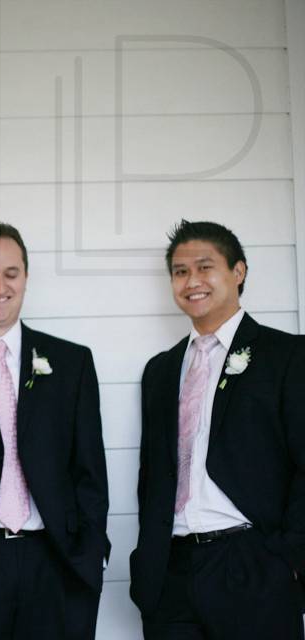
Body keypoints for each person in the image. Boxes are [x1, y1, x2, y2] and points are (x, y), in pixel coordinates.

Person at [130, 220, 305, 639]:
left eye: (205, 267)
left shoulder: (287, 355)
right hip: (171, 574)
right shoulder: (160, 370)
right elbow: (152, 476)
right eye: (180, 271)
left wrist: (288, 560)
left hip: (253, 566)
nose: (192, 281)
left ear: (238, 272)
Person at [0, 221, 109, 639]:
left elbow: (90, 472)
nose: (0, 286)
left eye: (11, 273)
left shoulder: (71, 363)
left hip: (53, 561)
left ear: (26, 278)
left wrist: (90, 553)